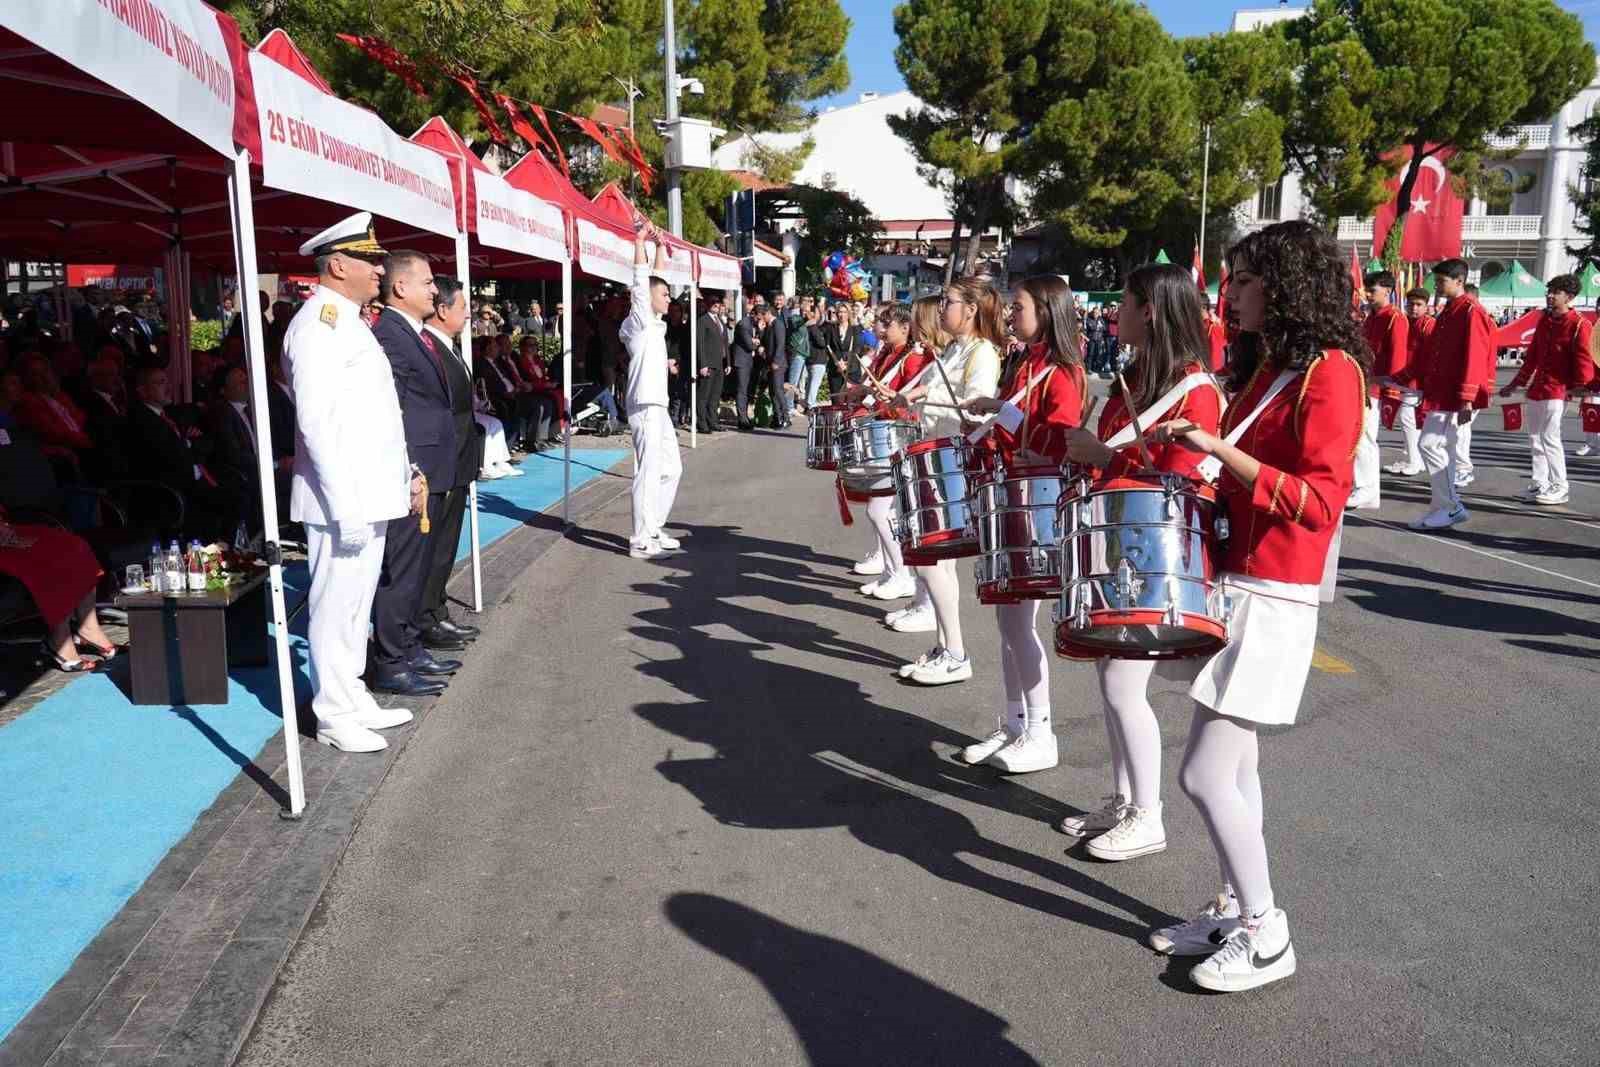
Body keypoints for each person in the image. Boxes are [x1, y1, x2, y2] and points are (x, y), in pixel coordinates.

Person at [1144, 219, 1367, 993]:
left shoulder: (1331, 372)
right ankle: (1240, 903)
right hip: (1238, 580)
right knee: (1236, 767)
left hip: (1274, 592)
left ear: (1285, 284)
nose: (1229, 294)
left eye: (1243, 280)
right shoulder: (1276, 365)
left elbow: (1319, 502)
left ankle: (1268, 932)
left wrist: (1220, 453)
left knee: (1204, 776)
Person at [1052, 262, 1225, 854]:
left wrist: (1104, 458)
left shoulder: (1195, 390)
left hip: (1160, 557)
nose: (1114, 314)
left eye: (1124, 303)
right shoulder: (1139, 379)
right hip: (1119, 546)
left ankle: (1148, 816)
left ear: (1149, 309)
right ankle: (1126, 798)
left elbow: (1180, 479)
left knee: (1125, 684)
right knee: (1111, 679)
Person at [284, 212, 419, 754]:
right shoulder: (319, 324)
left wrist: (403, 473)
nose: (379, 267)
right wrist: (346, 507)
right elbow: (316, 423)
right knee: (335, 606)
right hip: (343, 499)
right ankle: (334, 714)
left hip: (367, 491)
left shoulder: (347, 319)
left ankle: (352, 692)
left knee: (356, 604)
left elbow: (375, 415)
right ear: (338, 265)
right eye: (370, 259)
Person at [958, 274, 1090, 772]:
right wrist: (985, 430)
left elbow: (1060, 443)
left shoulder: (1063, 373)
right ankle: (1015, 723)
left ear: (1047, 311)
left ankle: (1041, 730)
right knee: (1007, 622)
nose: (1011, 315)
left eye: (1019, 307)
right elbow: (1014, 431)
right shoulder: (1026, 365)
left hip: (1038, 502)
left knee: (1021, 624)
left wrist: (1002, 415)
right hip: (1011, 493)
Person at [896, 278, 1004, 686]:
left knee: (932, 560)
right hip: (932, 455)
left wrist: (927, 399)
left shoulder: (982, 353)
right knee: (934, 564)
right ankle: (946, 647)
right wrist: (916, 395)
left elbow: (975, 410)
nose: (942, 308)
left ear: (971, 310)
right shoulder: (955, 349)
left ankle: (956, 652)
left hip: (952, 461)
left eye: (949, 302)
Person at [370, 251, 460, 696]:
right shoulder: (389, 332)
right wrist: (411, 469)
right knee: (402, 569)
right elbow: (394, 410)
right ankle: (391, 661)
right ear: (401, 287)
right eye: (426, 282)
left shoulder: (414, 333)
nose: (433, 289)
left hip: (432, 466)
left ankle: (407, 646)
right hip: (414, 469)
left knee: (420, 566)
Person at [417, 275, 486, 647]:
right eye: (463, 307)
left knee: (447, 545)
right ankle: (427, 617)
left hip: (457, 462)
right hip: (441, 464)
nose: (469, 314)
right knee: (437, 546)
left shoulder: (449, 347)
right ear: (442, 310)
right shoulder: (432, 349)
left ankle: (437, 610)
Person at [877, 295, 949, 634]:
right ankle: (920, 600)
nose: (914, 328)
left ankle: (924, 603)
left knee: (926, 532)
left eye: (919, 321)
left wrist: (908, 400)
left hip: (938, 449)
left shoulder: (938, 358)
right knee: (915, 527)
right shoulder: (936, 358)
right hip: (921, 442)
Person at [1409, 259, 1493, 530]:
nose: (1437, 285)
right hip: (1441, 391)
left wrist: (1468, 397)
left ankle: (1451, 505)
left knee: (1430, 445)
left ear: (1459, 281)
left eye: (1442, 280)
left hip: (1455, 394)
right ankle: (1443, 505)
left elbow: (1476, 356)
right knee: (1434, 446)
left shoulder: (1471, 311)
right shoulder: (1449, 310)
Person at [1499, 273, 1595, 506]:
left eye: (1556, 292)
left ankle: (1560, 486)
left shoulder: (1580, 324)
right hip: (1538, 389)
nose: (1550, 296)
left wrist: (1583, 386)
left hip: (1558, 390)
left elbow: (1584, 358)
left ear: (1569, 297)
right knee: (1535, 438)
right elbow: (1532, 357)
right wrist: (1515, 384)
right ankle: (1539, 482)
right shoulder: (1544, 320)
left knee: (1550, 438)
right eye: (1549, 291)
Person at [622, 222, 683, 560]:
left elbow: (657, 280)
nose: (668, 298)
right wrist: (641, 241)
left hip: (658, 404)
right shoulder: (640, 321)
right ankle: (640, 538)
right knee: (647, 471)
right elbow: (642, 284)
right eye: (665, 295)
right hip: (644, 404)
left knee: (672, 468)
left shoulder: (656, 324)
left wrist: (661, 247)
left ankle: (654, 527)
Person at [1351, 271, 1407, 510]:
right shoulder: (1371, 317)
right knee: (1360, 437)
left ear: (1387, 290)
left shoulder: (1395, 318)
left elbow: (1398, 359)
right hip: (1364, 382)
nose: (1368, 295)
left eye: (1372, 290)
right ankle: (1366, 489)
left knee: (1364, 438)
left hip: (1375, 385)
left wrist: (1390, 388)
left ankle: (1366, 489)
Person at [1383, 288, 1434, 477]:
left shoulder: (1428, 325)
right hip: (1405, 380)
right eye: (1410, 304)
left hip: (1418, 382)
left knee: (1408, 420)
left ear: (1426, 306)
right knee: (1406, 420)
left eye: (1418, 304)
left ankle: (1414, 461)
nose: (1413, 308)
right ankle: (1413, 458)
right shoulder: (1407, 323)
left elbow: (1426, 359)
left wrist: (1404, 377)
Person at [696, 292, 729, 433]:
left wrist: (728, 362)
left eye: (718, 304)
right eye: (713, 303)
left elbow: (725, 343)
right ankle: (702, 423)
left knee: (715, 395)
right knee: (704, 395)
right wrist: (702, 364)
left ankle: (713, 421)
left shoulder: (720, 320)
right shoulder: (703, 320)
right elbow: (700, 343)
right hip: (709, 363)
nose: (716, 306)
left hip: (720, 363)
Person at [731, 297, 760, 431]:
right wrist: (756, 344)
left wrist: (756, 339)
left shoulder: (753, 325)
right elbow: (749, 345)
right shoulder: (744, 324)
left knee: (747, 390)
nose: (760, 321)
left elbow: (755, 340)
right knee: (742, 390)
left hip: (749, 361)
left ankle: (745, 417)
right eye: (758, 318)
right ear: (753, 314)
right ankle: (741, 419)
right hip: (741, 361)